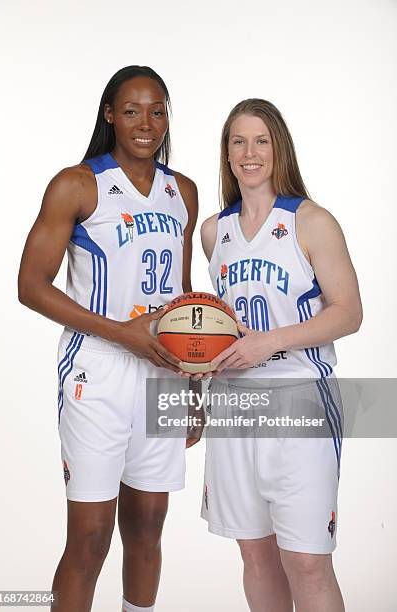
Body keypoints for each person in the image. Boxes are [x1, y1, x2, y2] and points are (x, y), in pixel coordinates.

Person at [18, 65, 199, 612]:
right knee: (92, 536)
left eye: (158, 109)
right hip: (96, 370)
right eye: (132, 110)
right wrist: (121, 333)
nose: (147, 122)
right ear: (109, 115)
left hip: (163, 373)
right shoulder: (77, 183)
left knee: (147, 529)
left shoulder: (182, 191)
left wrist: (193, 385)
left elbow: (182, 293)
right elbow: (29, 285)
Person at [200, 99, 362, 611]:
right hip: (233, 409)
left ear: (280, 148)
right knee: (255, 555)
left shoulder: (311, 221)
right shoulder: (213, 232)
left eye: (261, 140)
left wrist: (266, 342)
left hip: (299, 403)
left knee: (308, 560)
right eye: (238, 142)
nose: (250, 153)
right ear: (226, 154)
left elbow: (349, 313)